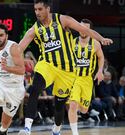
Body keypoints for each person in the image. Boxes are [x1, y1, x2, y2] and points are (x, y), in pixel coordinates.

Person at [18, 0, 113, 135]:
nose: (37, 12)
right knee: (35, 88)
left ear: (48, 9)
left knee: (59, 105)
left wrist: (101, 38)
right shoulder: (34, 29)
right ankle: (27, 128)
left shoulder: (62, 20)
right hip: (47, 65)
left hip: (67, 70)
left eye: (40, 9)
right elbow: (19, 47)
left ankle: (57, 128)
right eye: (35, 10)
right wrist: (22, 58)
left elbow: (85, 30)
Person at [68, 19, 104, 135]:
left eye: (86, 28)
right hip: (74, 78)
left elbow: (101, 57)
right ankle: (75, 133)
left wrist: (100, 71)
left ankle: (82, 110)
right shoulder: (72, 42)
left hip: (87, 79)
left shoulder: (95, 44)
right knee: (73, 104)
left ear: (90, 30)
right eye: (81, 27)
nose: (83, 31)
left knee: (84, 110)